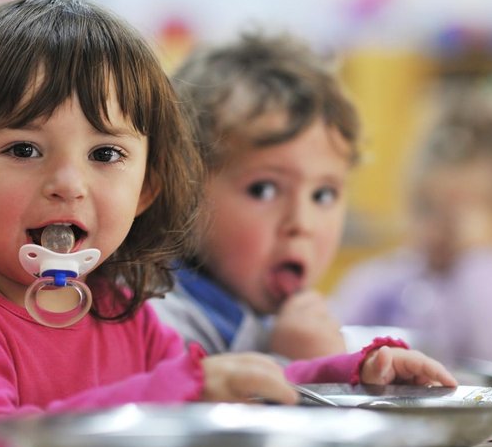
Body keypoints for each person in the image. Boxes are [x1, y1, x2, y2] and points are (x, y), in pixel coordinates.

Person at [0, 0, 456, 447]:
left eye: (106, 154)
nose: (68, 184)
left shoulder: (126, 315)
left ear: (146, 189)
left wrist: (351, 374)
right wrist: (185, 391)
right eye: (23, 150)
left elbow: (234, 390)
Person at [150, 32, 385, 360]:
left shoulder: (274, 313)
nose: (301, 223)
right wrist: (302, 372)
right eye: (265, 190)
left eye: (323, 194)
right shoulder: (158, 324)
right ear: (183, 187)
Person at [332, 98, 492, 367]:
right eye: (428, 208)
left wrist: (478, 257)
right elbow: (334, 349)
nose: (441, 229)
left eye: (460, 214)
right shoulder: (382, 280)